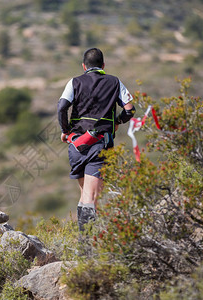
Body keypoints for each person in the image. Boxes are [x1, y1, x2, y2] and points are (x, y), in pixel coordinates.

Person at [57, 48, 135, 231]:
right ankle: (87, 247)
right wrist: (117, 121)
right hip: (99, 145)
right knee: (91, 198)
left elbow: (61, 108)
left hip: (76, 145)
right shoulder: (114, 82)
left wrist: (65, 130)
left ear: (84, 66)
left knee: (85, 196)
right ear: (103, 66)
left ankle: (85, 241)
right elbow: (130, 109)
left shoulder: (74, 82)